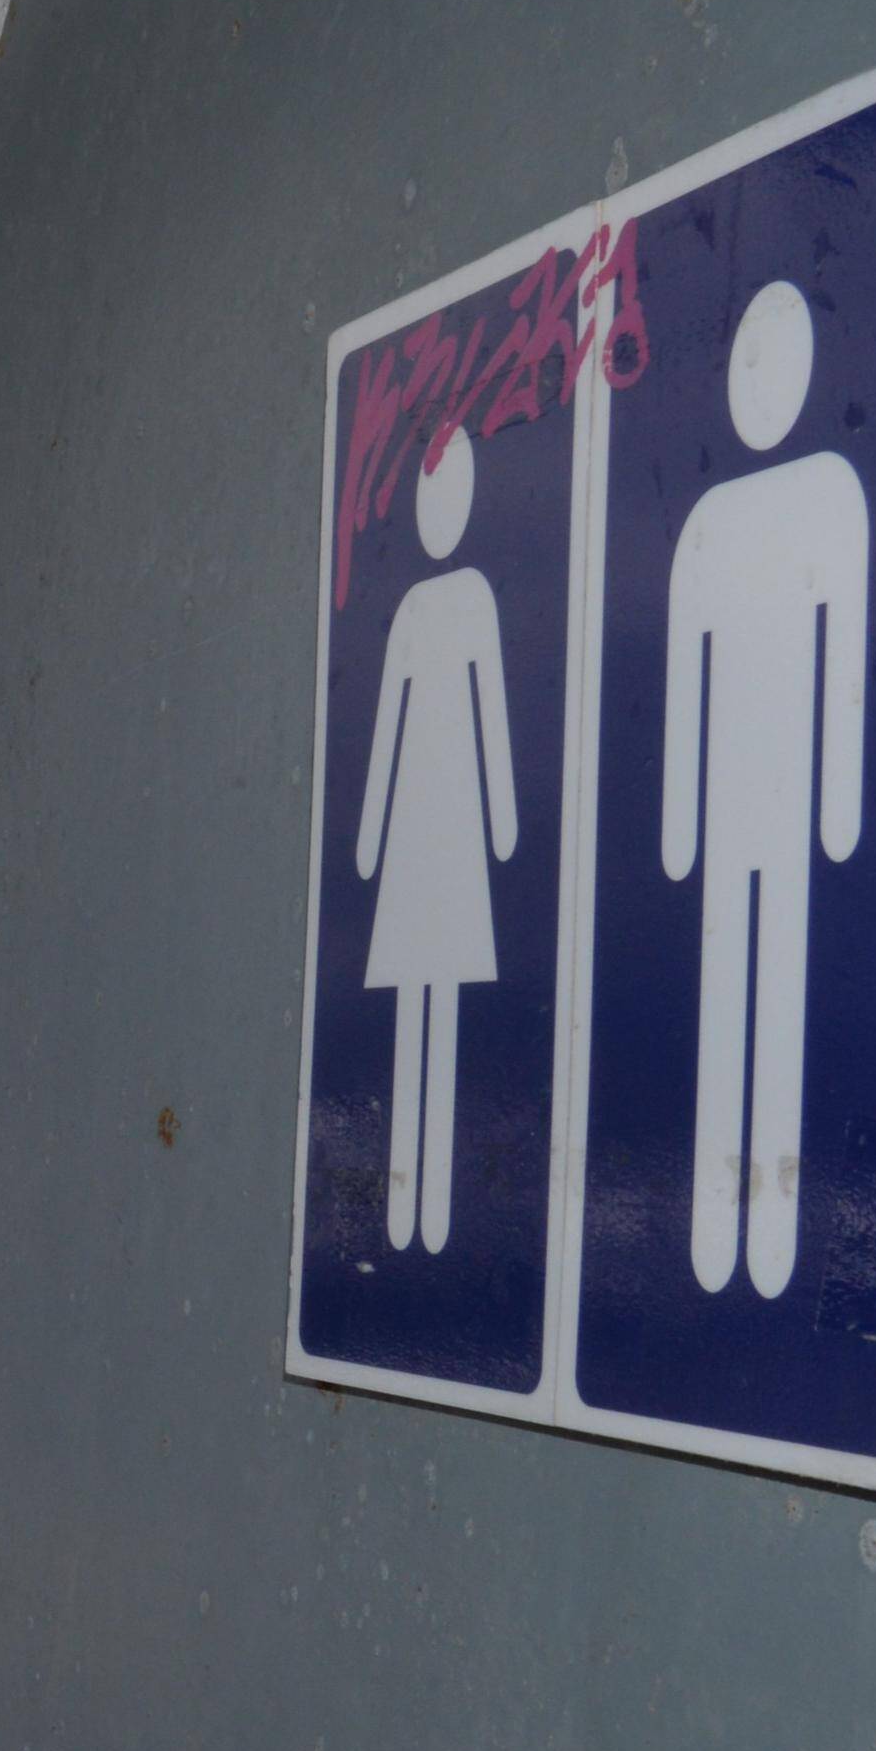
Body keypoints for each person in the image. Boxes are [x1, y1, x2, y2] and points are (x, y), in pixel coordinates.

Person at [658, 277, 868, 1298]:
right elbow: (680, 678)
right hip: (733, 800)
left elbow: (847, 665)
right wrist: (675, 827)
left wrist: (837, 808)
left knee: (773, 992)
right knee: (724, 993)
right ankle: (710, 1225)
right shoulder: (702, 523)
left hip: (780, 810)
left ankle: (772, 1233)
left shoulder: (832, 492)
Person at [353, 426, 516, 1252]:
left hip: (445, 834)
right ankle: (402, 1201)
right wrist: (373, 836)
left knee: (440, 997)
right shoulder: (416, 609)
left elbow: (491, 714)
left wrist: (501, 822)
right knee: (420, 996)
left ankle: (433, 1210)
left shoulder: (472, 602)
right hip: (424, 831)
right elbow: (386, 723)